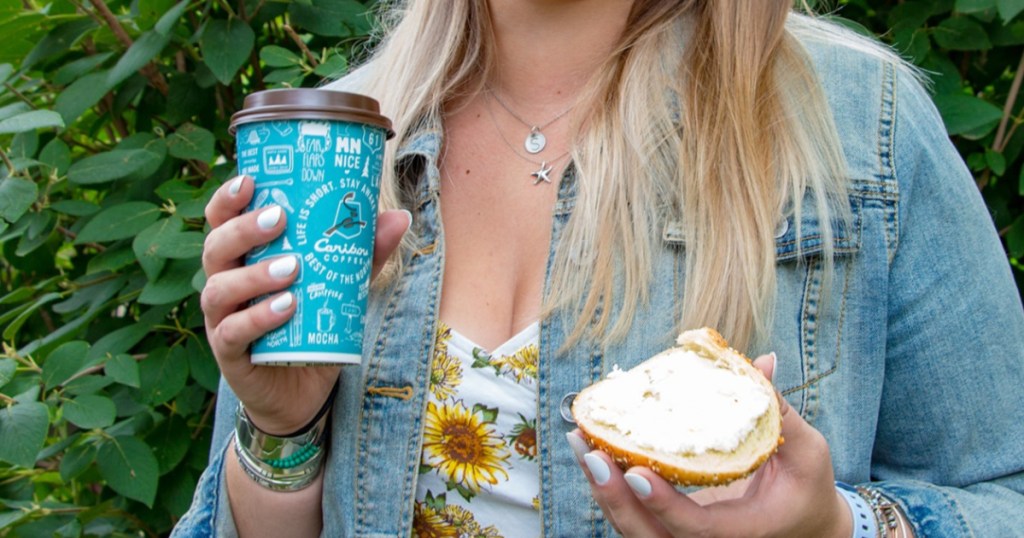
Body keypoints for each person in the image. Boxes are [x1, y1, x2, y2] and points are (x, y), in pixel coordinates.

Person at [175, 0, 1024, 536]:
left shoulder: (854, 121)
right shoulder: (338, 147)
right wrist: (281, 436)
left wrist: (841, 531)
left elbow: (1005, 498)